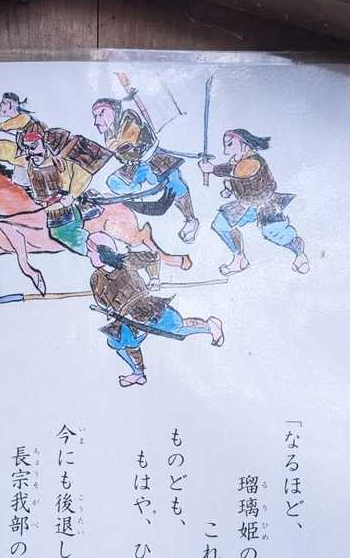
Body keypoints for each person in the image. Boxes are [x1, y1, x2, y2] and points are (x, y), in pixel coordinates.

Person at [87, 232, 223, 388]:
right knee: (120, 342)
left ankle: (209, 326)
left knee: (176, 327)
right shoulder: (96, 278)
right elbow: (102, 302)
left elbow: (153, 257)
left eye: (90, 251)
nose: (88, 255)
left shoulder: (126, 261)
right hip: (125, 318)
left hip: (146, 307)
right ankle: (138, 374)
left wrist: (154, 279)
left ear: (103, 251)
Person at [198, 129, 309, 276]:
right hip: (245, 204)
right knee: (221, 224)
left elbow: (237, 171)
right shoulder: (236, 160)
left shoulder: (253, 161)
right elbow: (234, 178)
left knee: (275, 233)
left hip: (265, 204)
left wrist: (212, 169)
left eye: (230, 144)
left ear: (244, 144)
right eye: (225, 144)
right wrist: (228, 189)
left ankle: (300, 255)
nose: (226, 148)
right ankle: (239, 259)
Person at [91, 97, 199, 243]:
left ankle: (190, 220)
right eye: (96, 116)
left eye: (101, 113)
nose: (97, 121)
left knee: (174, 180)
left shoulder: (128, 117)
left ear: (114, 110)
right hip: (136, 166)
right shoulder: (109, 133)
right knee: (113, 182)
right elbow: (118, 151)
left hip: (154, 158)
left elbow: (128, 142)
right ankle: (141, 193)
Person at [0, 128, 93, 255]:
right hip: (43, 208)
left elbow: (84, 174)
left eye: (34, 146)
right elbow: (9, 151)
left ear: (45, 145)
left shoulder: (61, 162)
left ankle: (94, 253)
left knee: (60, 233)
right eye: (27, 148)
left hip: (62, 210)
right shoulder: (28, 161)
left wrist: (72, 196)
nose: (31, 152)